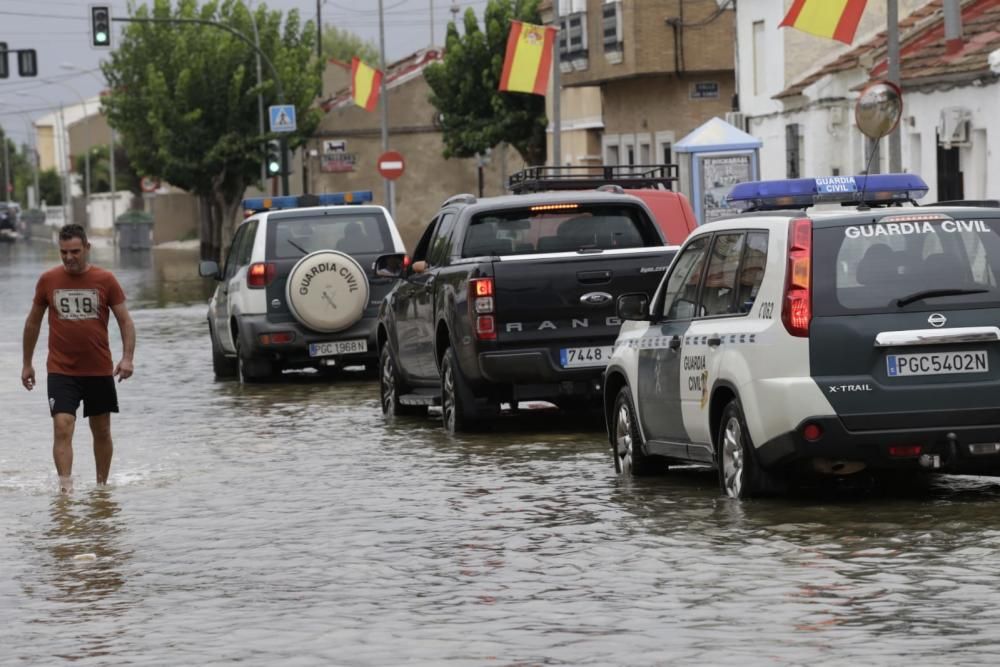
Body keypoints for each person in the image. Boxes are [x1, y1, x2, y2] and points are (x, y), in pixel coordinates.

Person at [21, 224, 136, 493]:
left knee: (102, 430)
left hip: (98, 369)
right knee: (62, 425)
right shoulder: (48, 280)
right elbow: (32, 324)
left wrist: (127, 358)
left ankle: (101, 488)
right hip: (61, 369)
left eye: (74, 251)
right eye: (63, 252)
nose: (69, 257)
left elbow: (125, 322)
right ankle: (65, 490)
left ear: (87, 248)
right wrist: (27, 363)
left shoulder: (106, 280)